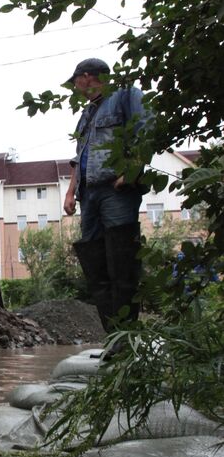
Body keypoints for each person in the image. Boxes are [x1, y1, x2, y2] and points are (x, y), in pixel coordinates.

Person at [63, 57, 148, 332]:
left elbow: (145, 129)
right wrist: (70, 192)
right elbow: (79, 157)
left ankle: (125, 336)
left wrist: (134, 167)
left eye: (76, 81)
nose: (75, 87)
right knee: (96, 266)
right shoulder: (86, 115)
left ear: (87, 76)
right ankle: (113, 337)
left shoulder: (126, 95)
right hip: (89, 196)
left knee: (121, 264)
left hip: (116, 190)